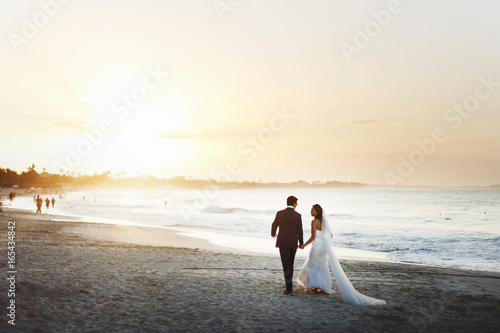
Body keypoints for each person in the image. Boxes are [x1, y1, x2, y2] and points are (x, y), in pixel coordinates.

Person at [298, 204, 386, 306]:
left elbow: (313, 237)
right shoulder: (324, 222)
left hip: (316, 246)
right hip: (323, 247)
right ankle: (323, 288)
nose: (310, 211)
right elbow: (330, 235)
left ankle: (313, 287)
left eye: (312, 210)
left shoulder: (314, 222)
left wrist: (304, 245)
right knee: (322, 266)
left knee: (312, 265)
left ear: (317, 212)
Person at [271, 196, 303, 295]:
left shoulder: (280, 213)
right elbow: (300, 231)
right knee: (291, 264)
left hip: (283, 242)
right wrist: (301, 243)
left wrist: (273, 233)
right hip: (293, 243)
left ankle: (289, 287)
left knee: (286, 265)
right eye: (296, 203)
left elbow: (274, 224)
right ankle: (289, 285)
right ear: (294, 204)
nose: (296, 205)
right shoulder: (298, 215)